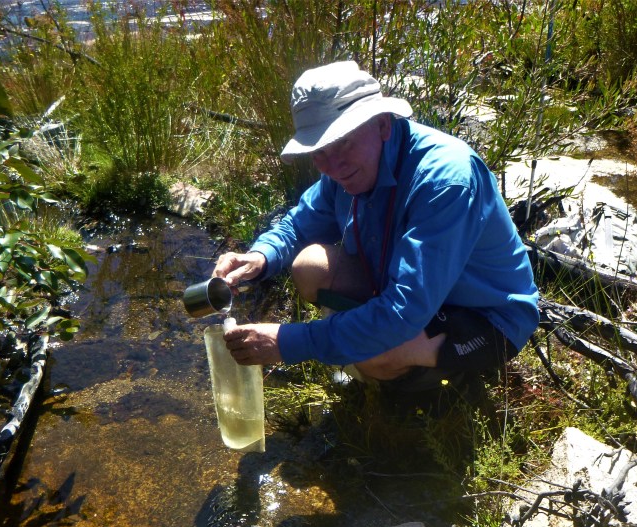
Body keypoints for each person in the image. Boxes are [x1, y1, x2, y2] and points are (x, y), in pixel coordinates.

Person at [212, 60, 538, 406]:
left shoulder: (445, 180)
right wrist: (259, 257)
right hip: (412, 295)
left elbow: (404, 311)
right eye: (319, 152)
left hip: (485, 318)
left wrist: (287, 342)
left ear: (383, 124)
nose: (333, 165)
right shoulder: (343, 169)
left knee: (375, 352)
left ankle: (440, 393)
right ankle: (381, 363)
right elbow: (298, 225)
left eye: (343, 143)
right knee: (310, 266)